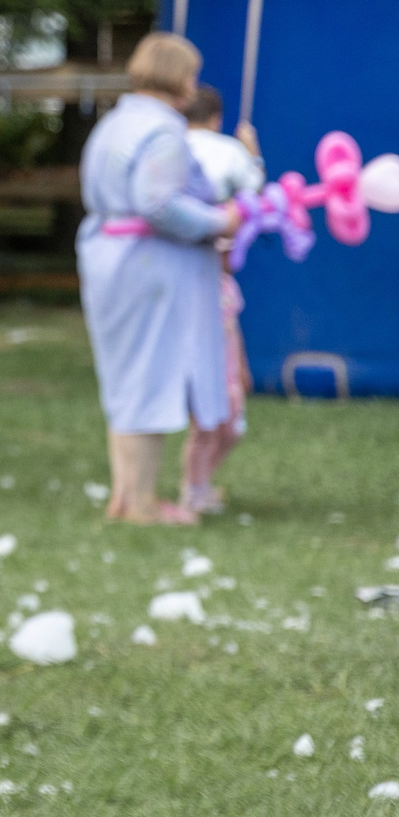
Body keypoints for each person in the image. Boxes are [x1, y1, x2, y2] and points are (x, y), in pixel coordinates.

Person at [77, 32, 240, 528]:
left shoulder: (115, 122)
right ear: (179, 78)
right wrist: (220, 221)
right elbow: (158, 202)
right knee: (149, 377)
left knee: (125, 380)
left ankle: (125, 495)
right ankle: (142, 503)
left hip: (107, 256)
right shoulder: (163, 131)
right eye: (191, 74)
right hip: (147, 266)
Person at [182, 83, 262, 515]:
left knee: (223, 426)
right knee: (211, 425)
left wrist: (242, 366)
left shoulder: (172, 148)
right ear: (216, 118)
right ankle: (194, 487)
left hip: (219, 354)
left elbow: (231, 327)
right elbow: (255, 192)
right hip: (208, 360)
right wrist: (251, 151)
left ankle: (200, 485)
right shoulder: (227, 151)